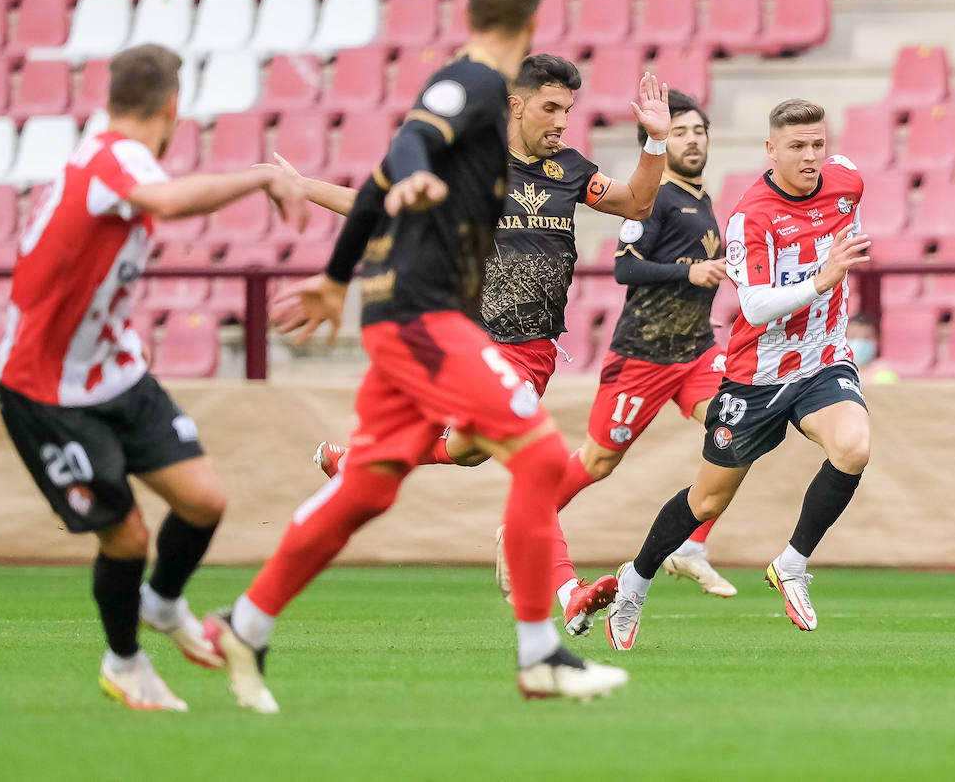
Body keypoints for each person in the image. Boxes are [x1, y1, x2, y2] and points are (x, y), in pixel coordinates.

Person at [202, 0, 628, 712]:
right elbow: (408, 142)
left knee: (367, 487)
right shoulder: (475, 86)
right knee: (538, 456)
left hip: (411, 312)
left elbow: (373, 185)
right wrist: (412, 174)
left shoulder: (501, 130)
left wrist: (335, 274)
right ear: (529, 23)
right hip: (424, 314)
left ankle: (245, 623)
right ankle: (539, 654)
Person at [289, 54, 674, 635]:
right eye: (550, 108)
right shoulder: (474, 168)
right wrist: (304, 188)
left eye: (567, 110)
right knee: (534, 460)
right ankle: (567, 591)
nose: (560, 121)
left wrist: (653, 142)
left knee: (470, 449)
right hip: (473, 342)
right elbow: (378, 205)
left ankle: (355, 464)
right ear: (515, 106)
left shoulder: (570, 169)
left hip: (535, 350)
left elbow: (637, 203)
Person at [0, 43, 309, 710]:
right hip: (46, 387)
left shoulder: (104, 153)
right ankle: (124, 662)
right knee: (128, 534)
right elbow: (164, 201)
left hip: (115, 371)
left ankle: (163, 603)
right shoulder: (110, 157)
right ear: (172, 106)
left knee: (203, 500)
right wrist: (260, 176)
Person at [604, 99, 872, 651]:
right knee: (706, 503)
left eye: (817, 144)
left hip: (822, 359)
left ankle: (792, 564)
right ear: (770, 150)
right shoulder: (751, 215)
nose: (810, 156)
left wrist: (831, 284)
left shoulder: (847, 183)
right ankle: (635, 581)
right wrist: (824, 280)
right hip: (756, 375)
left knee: (853, 447)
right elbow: (754, 308)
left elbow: (846, 192)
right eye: (797, 146)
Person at [556, 90, 738, 599]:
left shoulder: (701, 198)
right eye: (679, 132)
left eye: (699, 130)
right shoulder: (652, 195)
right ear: (659, 141)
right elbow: (624, 267)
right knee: (598, 461)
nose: (693, 139)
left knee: (736, 429)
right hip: (644, 355)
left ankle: (690, 547)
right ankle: (529, 521)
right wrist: (691, 271)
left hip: (696, 350)